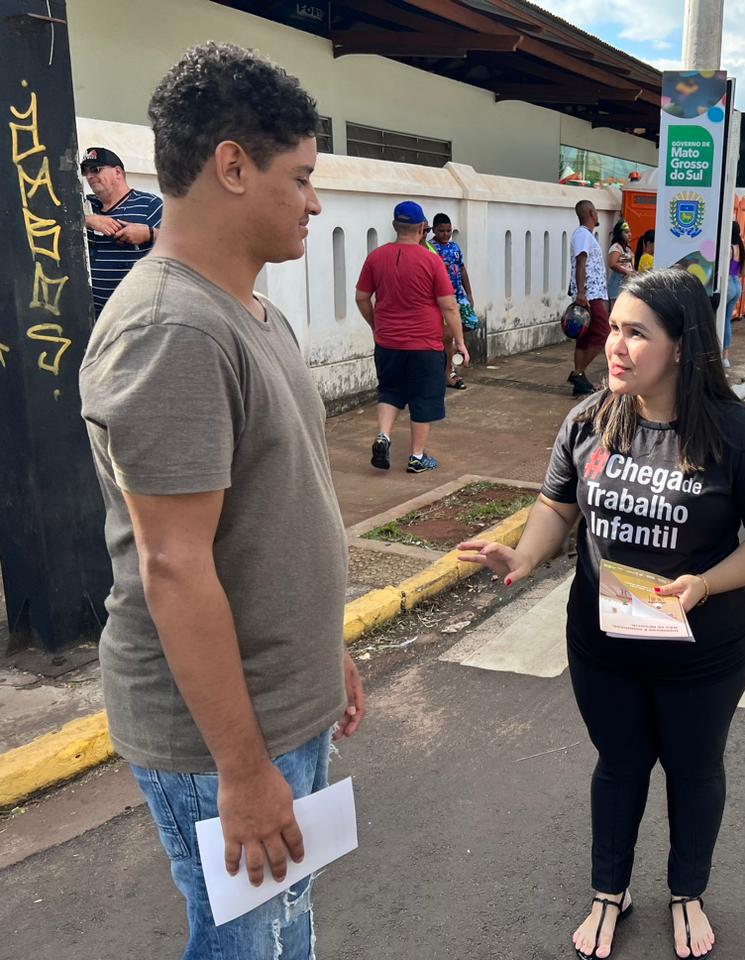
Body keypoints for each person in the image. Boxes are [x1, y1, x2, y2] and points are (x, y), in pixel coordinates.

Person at [78, 42, 366, 960]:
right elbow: (174, 564)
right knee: (247, 944)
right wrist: (242, 770)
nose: (317, 202)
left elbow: (280, 513)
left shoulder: (252, 311)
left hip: (284, 705)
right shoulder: (173, 329)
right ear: (232, 165)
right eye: (304, 176)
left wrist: (328, 656)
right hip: (221, 744)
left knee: (283, 927)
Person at [458, 269, 745, 960]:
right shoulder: (589, 420)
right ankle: (609, 891)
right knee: (619, 765)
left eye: (636, 332)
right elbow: (558, 507)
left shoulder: (738, 437)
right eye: (613, 327)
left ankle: (687, 893)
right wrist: (525, 557)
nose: (615, 344)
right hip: (603, 646)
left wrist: (704, 583)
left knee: (695, 770)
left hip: (703, 651)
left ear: (681, 344)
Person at [356, 200, 469, 473]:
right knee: (423, 397)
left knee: (390, 391)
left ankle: (384, 435)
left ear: (395, 226)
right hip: (425, 345)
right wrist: (460, 343)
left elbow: (361, 298)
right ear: (422, 228)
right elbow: (449, 305)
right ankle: (417, 457)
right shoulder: (431, 260)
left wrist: (376, 326)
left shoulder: (376, 257)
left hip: (387, 343)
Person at [80, 146, 164, 313]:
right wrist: (87, 219)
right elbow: (53, 217)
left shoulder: (150, 205)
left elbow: (187, 243)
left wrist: (149, 233)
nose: (90, 176)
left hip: (134, 317)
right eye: (86, 172)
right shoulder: (84, 205)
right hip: (92, 318)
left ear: (118, 172)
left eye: (96, 170)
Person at [429, 212, 477, 389]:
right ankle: (449, 373)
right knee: (446, 337)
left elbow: (462, 269)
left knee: (471, 322)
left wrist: (469, 293)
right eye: (442, 231)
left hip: (458, 296)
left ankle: (457, 343)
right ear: (434, 230)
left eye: (449, 231)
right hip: (442, 299)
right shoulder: (431, 249)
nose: (446, 234)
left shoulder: (455, 247)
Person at [568, 199, 611, 396]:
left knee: (585, 337)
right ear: (592, 213)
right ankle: (577, 373)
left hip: (591, 293)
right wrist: (581, 293)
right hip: (590, 295)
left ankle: (580, 377)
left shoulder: (585, 235)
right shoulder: (583, 235)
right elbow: (580, 262)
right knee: (603, 333)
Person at [722, 221, 745, 368]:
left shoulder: (728, 248)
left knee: (720, 320)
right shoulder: (742, 249)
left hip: (727, 283)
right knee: (727, 321)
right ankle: (725, 356)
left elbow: (723, 268)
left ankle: (719, 355)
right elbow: (743, 272)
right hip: (737, 283)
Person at [607, 219, 636, 310]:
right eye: (626, 232)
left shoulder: (627, 248)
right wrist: (627, 272)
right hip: (618, 282)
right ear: (619, 234)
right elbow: (612, 263)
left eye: (630, 232)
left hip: (626, 282)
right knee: (616, 309)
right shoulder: (616, 247)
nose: (629, 234)